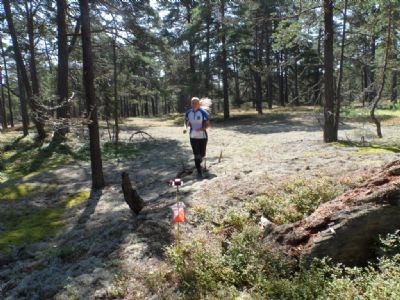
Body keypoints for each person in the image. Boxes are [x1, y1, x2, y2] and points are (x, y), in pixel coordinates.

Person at [183, 97, 211, 177]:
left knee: (202, 154)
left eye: (196, 103)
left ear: (199, 104)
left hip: (203, 137)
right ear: (191, 104)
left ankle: (199, 163)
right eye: (193, 103)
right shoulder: (188, 112)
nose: (194, 104)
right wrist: (185, 128)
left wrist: (202, 129)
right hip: (193, 137)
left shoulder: (203, 112)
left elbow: (208, 125)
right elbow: (186, 122)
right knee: (196, 154)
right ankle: (199, 172)